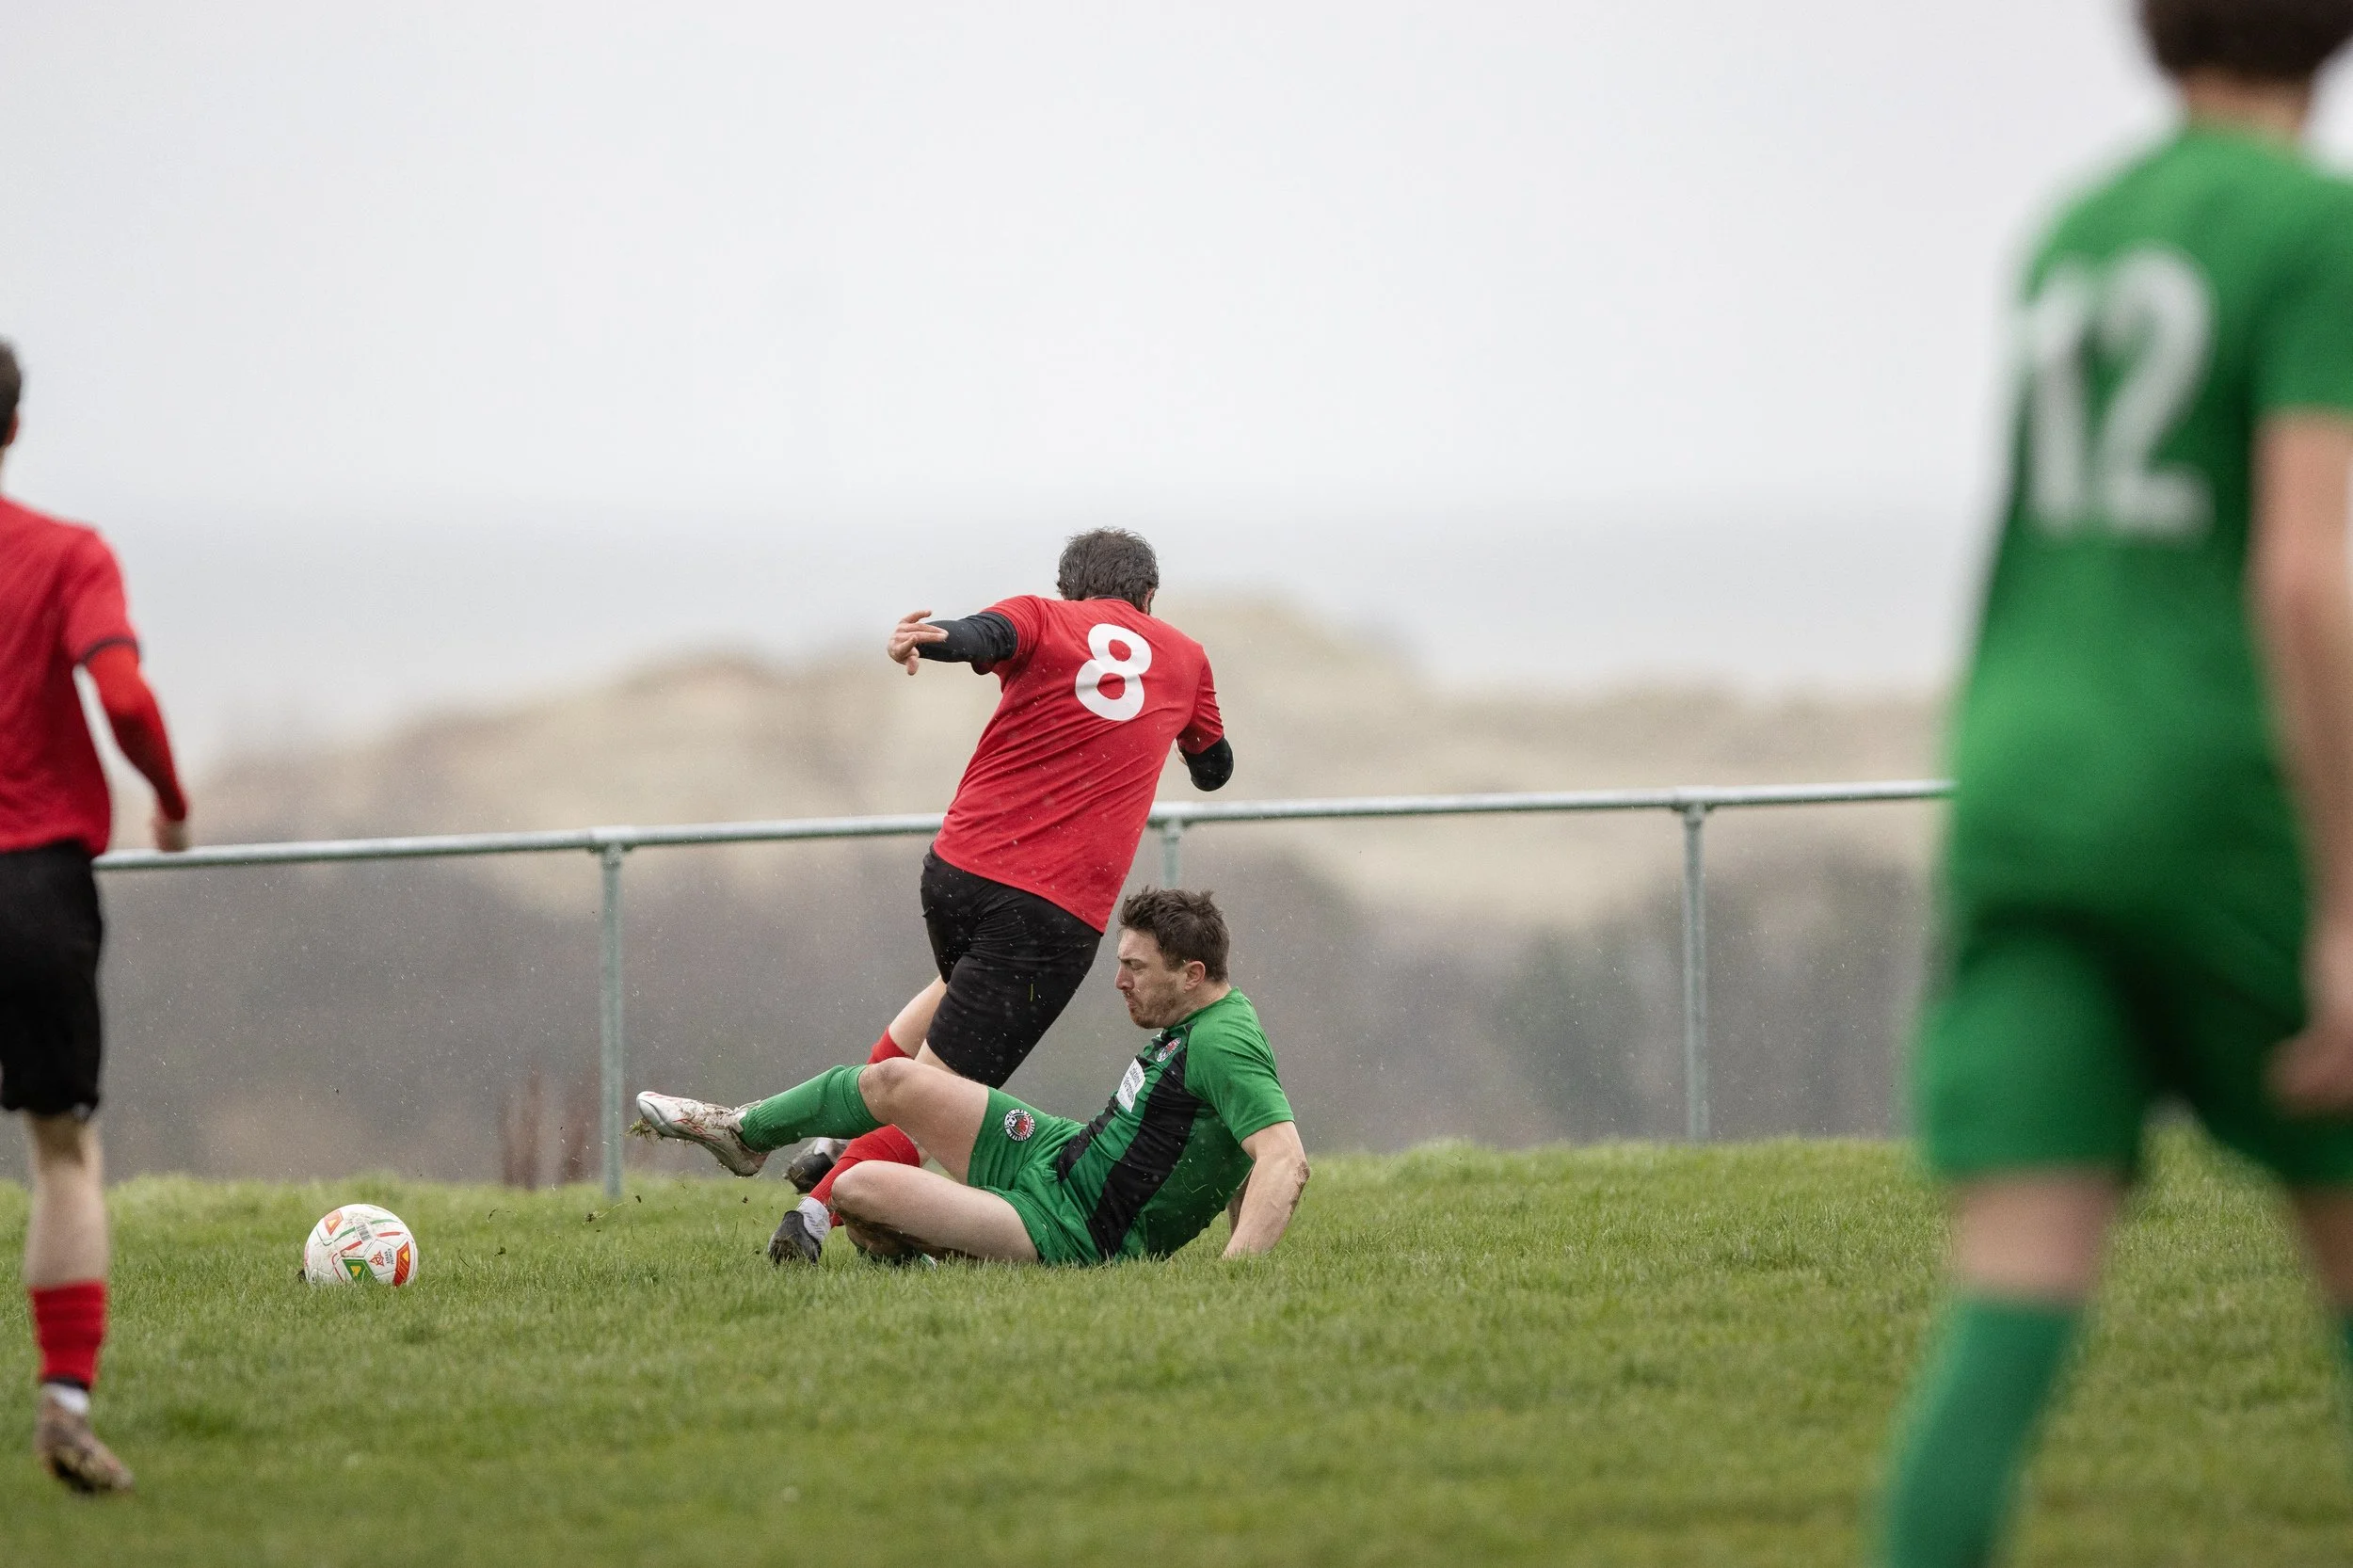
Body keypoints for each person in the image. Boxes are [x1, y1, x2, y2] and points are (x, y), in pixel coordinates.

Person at [1879, 5, 2353, 1562]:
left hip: (2026, 797)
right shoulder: (2311, 230)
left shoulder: (2074, 233)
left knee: (2008, 1306)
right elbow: (2307, 577)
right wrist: (2346, 898)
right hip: (2210, 791)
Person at [760, 528, 1233, 1265]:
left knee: (948, 1012)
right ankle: (816, 1212)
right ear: (1148, 598)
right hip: (1049, 908)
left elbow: (983, 633)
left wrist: (930, 636)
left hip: (956, 872)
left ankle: (837, 1141)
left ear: (1070, 589)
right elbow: (1214, 769)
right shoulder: (1185, 656)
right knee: (948, 1094)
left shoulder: (1045, 616)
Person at [636, 888, 1307, 1265]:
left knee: (862, 1190)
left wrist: (1235, 1280)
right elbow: (1226, 1143)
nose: (1119, 980)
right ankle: (742, 1132)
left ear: (1192, 974)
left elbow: (1283, 1159)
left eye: (1136, 967)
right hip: (1056, 1153)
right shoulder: (1212, 1015)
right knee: (895, 1081)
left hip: (1068, 1229)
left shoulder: (1225, 1044)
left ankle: (931, 1248)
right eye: (1121, 961)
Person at [0, 339, 191, 1493]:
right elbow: (119, 693)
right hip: (28, 885)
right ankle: (65, 1404)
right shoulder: (66, 556)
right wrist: (168, 798)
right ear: (14, 426)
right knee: (62, 1152)